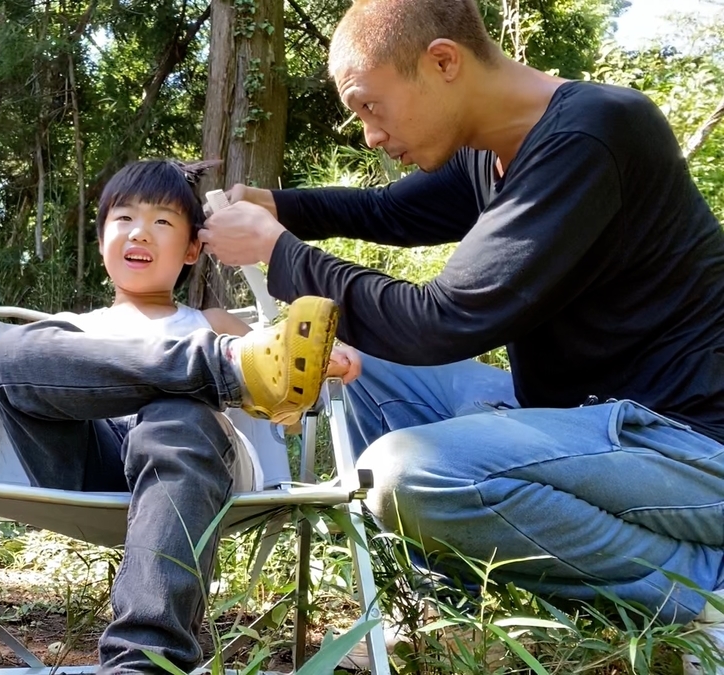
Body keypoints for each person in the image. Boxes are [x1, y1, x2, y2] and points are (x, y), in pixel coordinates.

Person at [198, 0, 724, 670]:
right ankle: (425, 602)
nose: (368, 134)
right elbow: (392, 210)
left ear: (442, 62)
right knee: (362, 360)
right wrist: (283, 208)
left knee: (406, 471)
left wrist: (280, 253)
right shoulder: (493, 149)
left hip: (688, 447)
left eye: (370, 106)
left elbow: (442, 321)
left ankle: (700, 585)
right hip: (582, 426)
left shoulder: (594, 134)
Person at [0, 158, 360, 673]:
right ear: (102, 241)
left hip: (190, 460)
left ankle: (142, 663)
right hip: (88, 462)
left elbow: (291, 401)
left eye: (163, 222)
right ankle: (222, 370)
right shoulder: (68, 329)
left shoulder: (210, 321)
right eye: (123, 219)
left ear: (192, 249)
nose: (140, 231)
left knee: (175, 413)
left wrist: (321, 364)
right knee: (12, 354)